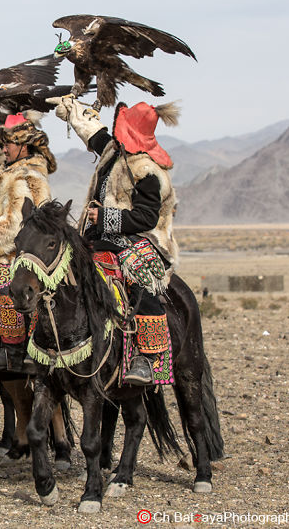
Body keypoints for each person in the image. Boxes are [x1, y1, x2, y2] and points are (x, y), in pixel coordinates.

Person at [49, 96, 179, 386]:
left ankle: (148, 357)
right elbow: (94, 133)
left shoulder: (148, 171)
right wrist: (72, 109)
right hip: (101, 237)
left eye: (121, 131)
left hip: (142, 240)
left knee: (141, 278)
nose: (116, 136)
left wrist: (106, 217)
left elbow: (146, 217)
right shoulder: (114, 152)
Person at [0, 112, 56, 371]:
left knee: (1, 281)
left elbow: (16, 224)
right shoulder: (10, 171)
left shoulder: (27, 175)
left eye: (8, 144)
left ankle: (16, 351)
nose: (3, 148)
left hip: (24, 250)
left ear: (23, 145)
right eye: (2, 143)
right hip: (5, 246)